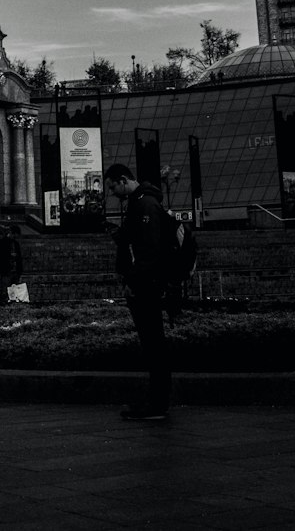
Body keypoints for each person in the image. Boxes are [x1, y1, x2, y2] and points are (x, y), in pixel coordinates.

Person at [105, 162, 172, 422]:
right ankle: (155, 401)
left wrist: (133, 279)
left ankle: (157, 404)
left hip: (147, 285)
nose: (112, 193)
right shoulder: (139, 202)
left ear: (123, 180)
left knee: (154, 343)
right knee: (153, 343)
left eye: (113, 187)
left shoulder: (144, 204)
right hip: (145, 282)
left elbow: (149, 249)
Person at [0, 224, 23, 305]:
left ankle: (8, 305)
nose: (15, 236)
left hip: (11, 270)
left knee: (12, 291)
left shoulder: (10, 243)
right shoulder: (4, 243)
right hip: (7, 270)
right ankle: (6, 305)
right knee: (6, 291)